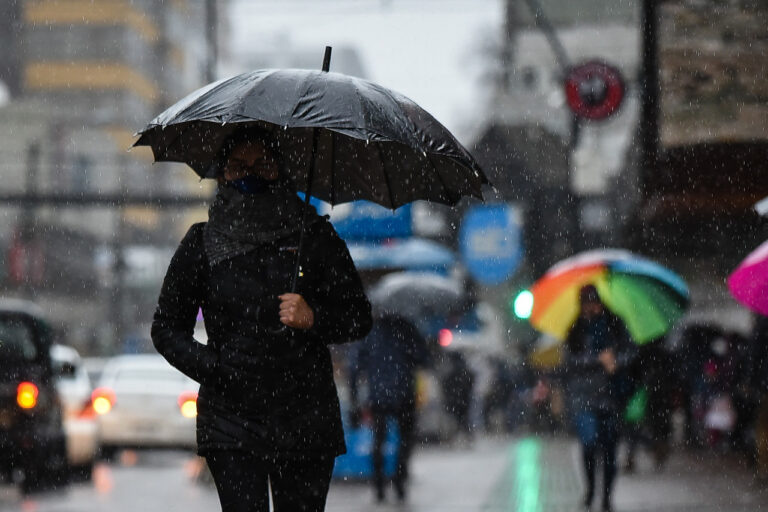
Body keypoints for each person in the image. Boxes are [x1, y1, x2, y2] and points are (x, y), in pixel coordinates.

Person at [151, 128, 373, 512]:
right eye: (239, 166)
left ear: (282, 170)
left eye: (263, 164)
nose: (250, 174)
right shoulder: (201, 243)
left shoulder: (315, 237)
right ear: (222, 174)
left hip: (305, 414)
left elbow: (358, 317)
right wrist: (216, 368)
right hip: (231, 417)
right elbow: (167, 329)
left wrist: (313, 317)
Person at [563, 284, 637, 512]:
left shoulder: (615, 325)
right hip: (583, 397)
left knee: (610, 449)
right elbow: (569, 362)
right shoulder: (575, 330)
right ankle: (591, 490)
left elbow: (631, 352)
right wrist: (596, 360)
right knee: (589, 443)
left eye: (593, 303)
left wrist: (616, 361)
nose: (590, 308)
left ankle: (606, 497)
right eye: (586, 303)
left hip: (611, 396)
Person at [347, 311, 430, 503]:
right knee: (405, 440)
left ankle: (379, 487)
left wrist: (354, 395)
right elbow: (423, 359)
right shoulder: (407, 329)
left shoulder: (370, 332)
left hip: (378, 396)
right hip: (403, 395)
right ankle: (399, 482)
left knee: (379, 440)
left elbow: (355, 365)